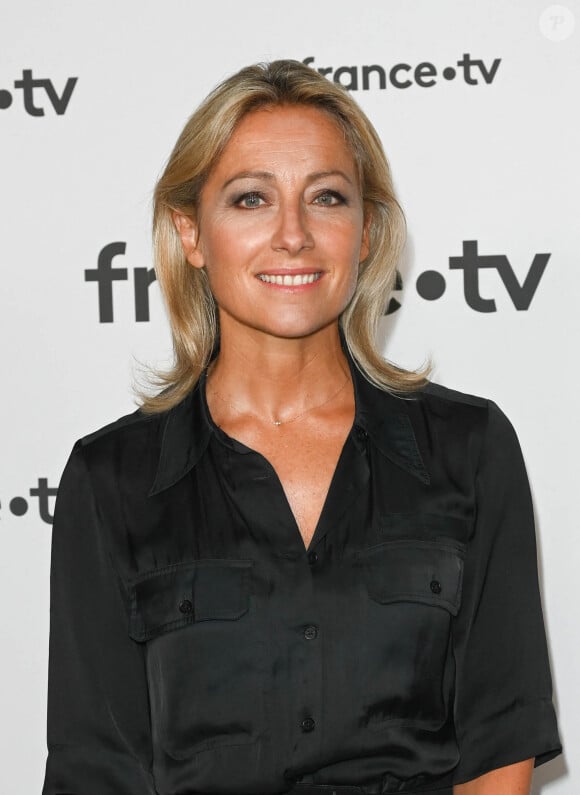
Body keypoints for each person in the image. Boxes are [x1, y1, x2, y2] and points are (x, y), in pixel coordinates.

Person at [42, 60, 561, 795]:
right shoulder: (112, 479)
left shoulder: (469, 449)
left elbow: (498, 748)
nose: (293, 234)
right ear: (191, 232)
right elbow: (97, 771)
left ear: (367, 230)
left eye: (325, 197)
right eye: (251, 198)